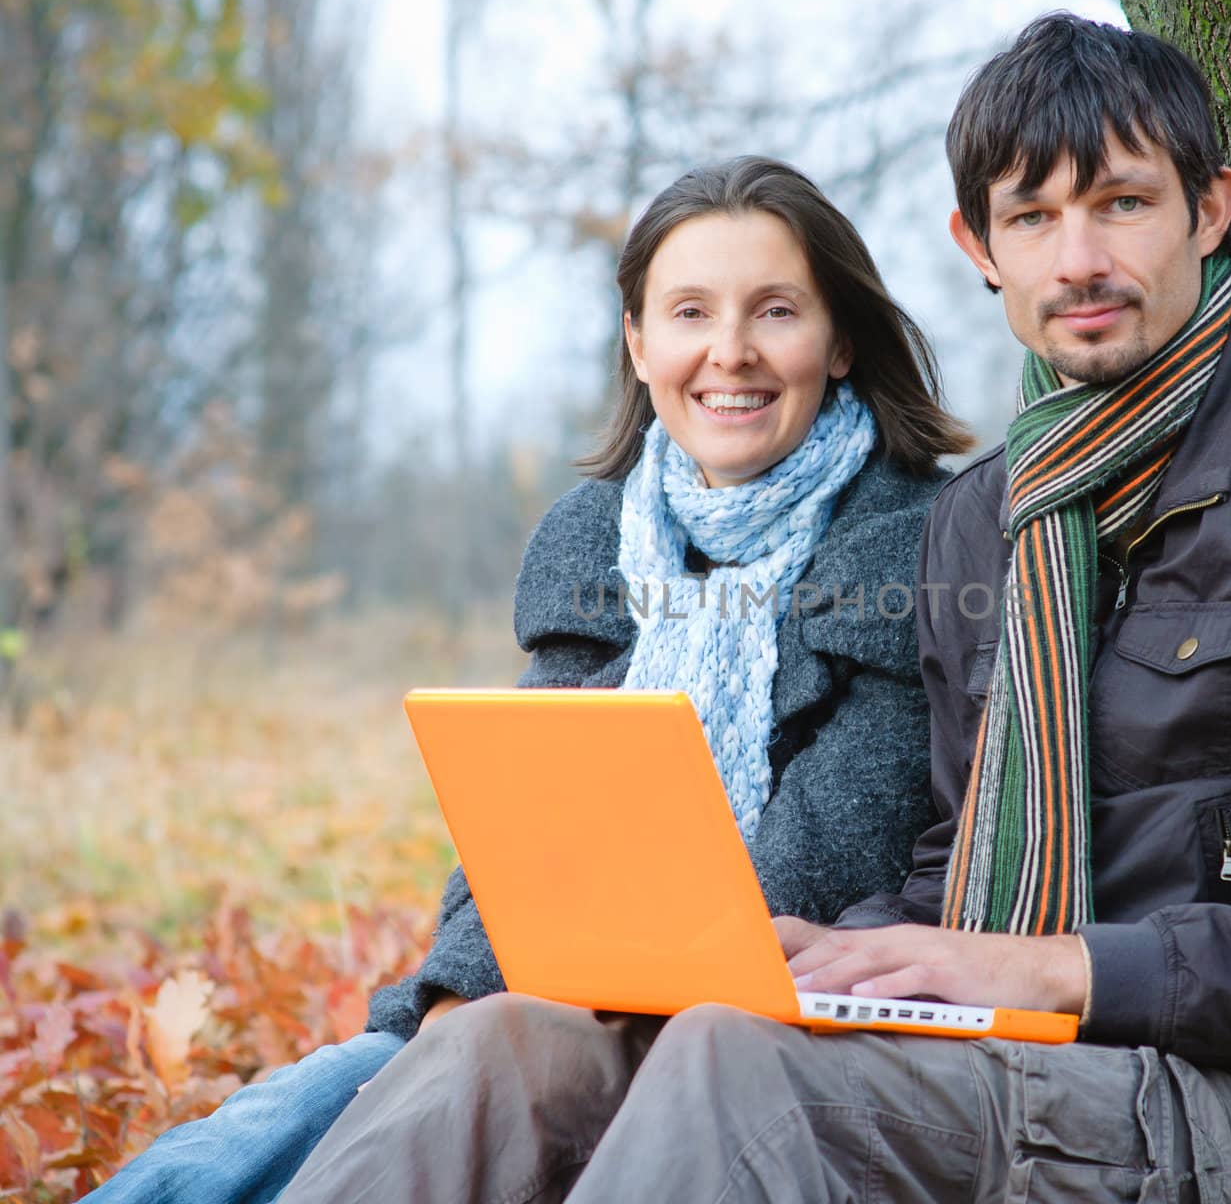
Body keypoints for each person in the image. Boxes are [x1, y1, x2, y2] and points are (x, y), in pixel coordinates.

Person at [278, 14, 1231, 1204]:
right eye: (1032, 218)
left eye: (1123, 205)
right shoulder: (983, 519)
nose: (1079, 259)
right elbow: (952, 864)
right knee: (506, 1050)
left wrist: (1057, 967)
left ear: (1209, 210)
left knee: (734, 1065)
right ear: (976, 249)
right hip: (995, 1037)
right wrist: (829, 948)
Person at [84, 154, 972, 1203]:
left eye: (774, 311)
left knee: (443, 1076)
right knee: (302, 1105)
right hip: (557, 983)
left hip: (745, 1030)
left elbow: (834, 841)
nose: (728, 352)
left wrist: (544, 985)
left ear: (839, 343)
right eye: (689, 312)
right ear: (639, 344)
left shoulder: (913, 541)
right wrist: (452, 997)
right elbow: (519, 834)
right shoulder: (599, 538)